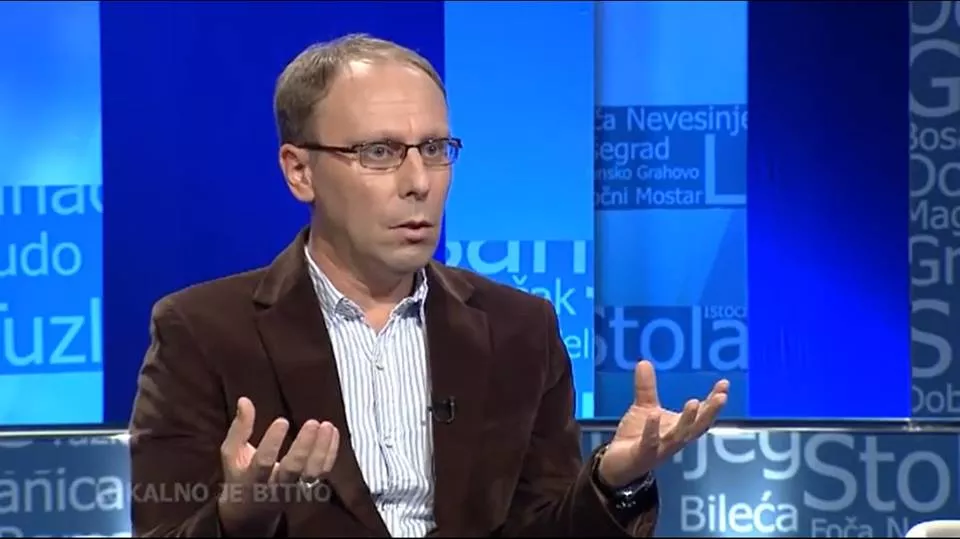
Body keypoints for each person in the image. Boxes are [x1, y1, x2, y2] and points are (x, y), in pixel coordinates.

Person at [128, 33, 730, 538]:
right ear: (300, 171)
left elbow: (542, 527)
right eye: (379, 151)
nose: (419, 181)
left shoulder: (520, 329)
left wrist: (611, 481)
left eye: (435, 149)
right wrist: (238, 518)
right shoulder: (202, 332)